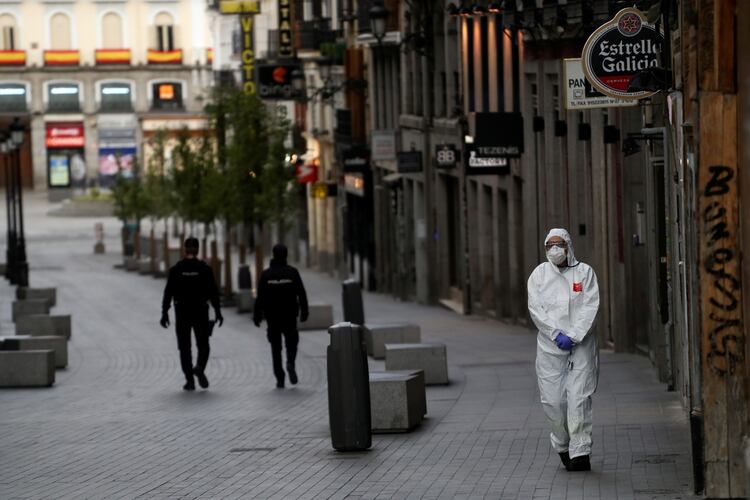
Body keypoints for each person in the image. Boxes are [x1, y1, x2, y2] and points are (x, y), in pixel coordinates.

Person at [527, 228, 600, 472]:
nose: (555, 250)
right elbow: (536, 308)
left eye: (559, 244)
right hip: (550, 347)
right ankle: (562, 444)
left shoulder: (585, 273)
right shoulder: (539, 275)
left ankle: (581, 452)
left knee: (579, 398)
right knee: (554, 402)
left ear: (568, 245)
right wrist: (555, 333)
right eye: (550, 246)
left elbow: (590, 306)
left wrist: (575, 335)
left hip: (581, 345)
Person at [160, 237, 223, 391]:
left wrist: (164, 313)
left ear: (184, 249)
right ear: (198, 250)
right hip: (200, 311)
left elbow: (168, 292)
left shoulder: (176, 270)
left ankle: (190, 381)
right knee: (204, 345)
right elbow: (213, 292)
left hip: (181, 312)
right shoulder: (205, 269)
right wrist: (218, 311)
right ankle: (200, 367)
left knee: (184, 348)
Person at [253, 244, 309, 388]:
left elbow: (260, 297)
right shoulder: (292, 273)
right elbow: (301, 293)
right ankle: (290, 362)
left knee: (275, 347)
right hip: (289, 315)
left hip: (272, 317)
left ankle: (280, 378)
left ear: (273, 255)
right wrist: (304, 312)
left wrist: (257, 315)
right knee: (292, 342)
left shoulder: (266, 274)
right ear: (286, 255)